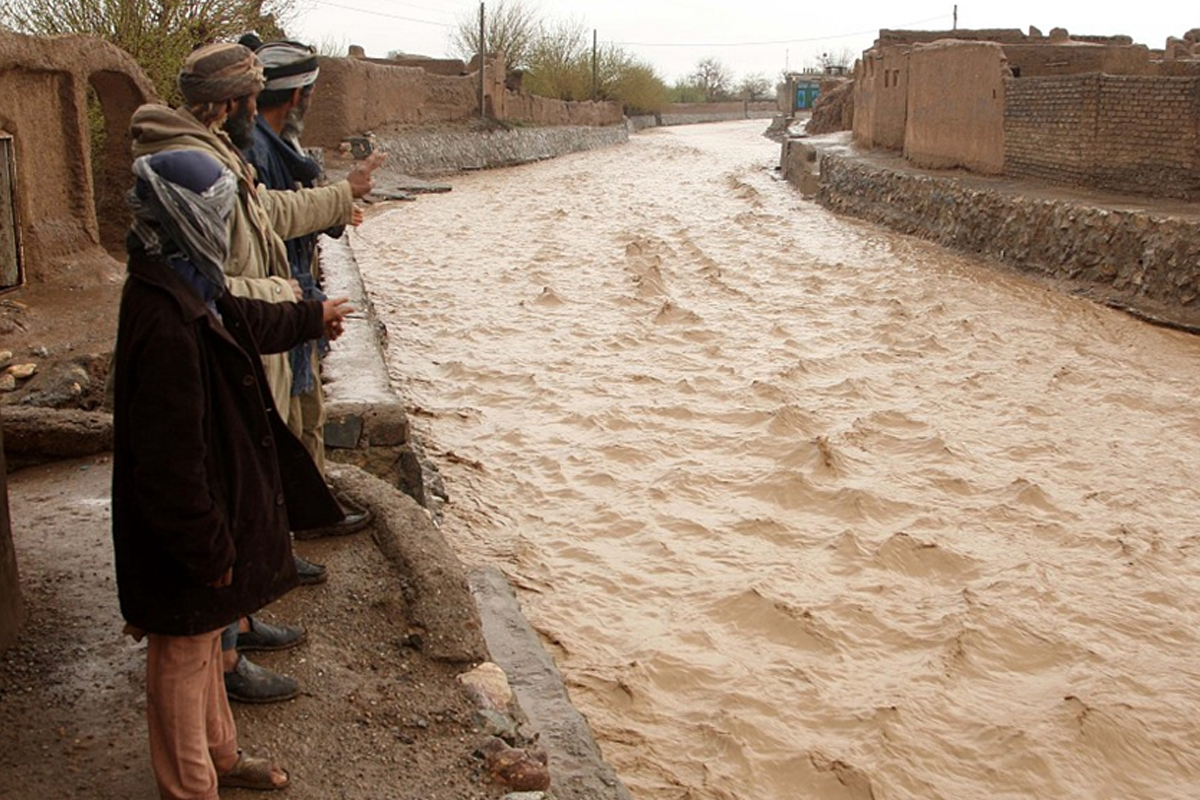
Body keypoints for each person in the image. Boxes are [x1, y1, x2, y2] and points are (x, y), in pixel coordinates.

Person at [130, 41, 379, 701]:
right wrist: (297, 302)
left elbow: (260, 218)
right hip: (237, 339)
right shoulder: (198, 165)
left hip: (249, 331)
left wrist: (331, 203)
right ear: (240, 102)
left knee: (246, 481)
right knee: (227, 488)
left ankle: (237, 623)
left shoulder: (211, 148)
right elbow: (221, 280)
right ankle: (227, 655)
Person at [111, 148, 354, 799]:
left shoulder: (184, 282)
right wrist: (206, 546)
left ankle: (220, 758)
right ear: (186, 217)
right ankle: (190, 787)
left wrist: (311, 317)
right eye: (216, 212)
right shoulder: (164, 319)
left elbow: (243, 319)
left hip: (204, 519)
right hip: (184, 532)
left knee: (199, 648)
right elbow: (168, 468)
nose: (224, 225)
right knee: (182, 654)